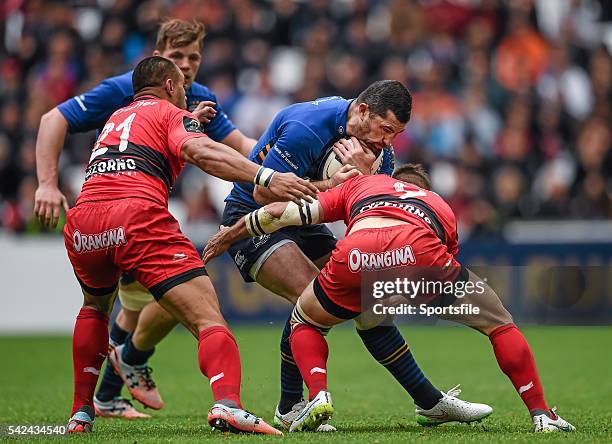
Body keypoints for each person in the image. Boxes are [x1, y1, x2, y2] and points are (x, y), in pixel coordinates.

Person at [48, 55, 317, 434]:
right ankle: (228, 404)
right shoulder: (168, 113)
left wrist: (189, 119)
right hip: (135, 216)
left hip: (85, 221)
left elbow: (155, 140)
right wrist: (266, 175)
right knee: (207, 317)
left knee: (94, 308)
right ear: (171, 86)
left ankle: (80, 414)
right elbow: (200, 151)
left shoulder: (116, 118)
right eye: (183, 85)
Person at [202, 164, 576, 433]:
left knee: (305, 320)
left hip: (358, 253)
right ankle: (541, 414)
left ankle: (318, 395)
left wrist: (234, 232)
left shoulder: (364, 186)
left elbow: (284, 213)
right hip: (421, 254)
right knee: (498, 323)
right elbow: (444, 255)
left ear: (390, 180)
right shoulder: (438, 203)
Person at [34, 19, 258, 418]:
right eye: (176, 58)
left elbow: (242, 145)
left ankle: (92, 403)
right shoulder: (129, 89)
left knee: (116, 305)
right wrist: (47, 184)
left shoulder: (196, 96)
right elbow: (53, 119)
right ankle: (144, 364)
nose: (186, 66)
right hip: (136, 212)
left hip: (90, 218)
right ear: (159, 62)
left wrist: (289, 153)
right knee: (193, 301)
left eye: (193, 58)